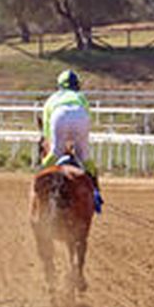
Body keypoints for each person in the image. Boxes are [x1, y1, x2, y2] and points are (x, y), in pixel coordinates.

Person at [42, 68, 101, 212]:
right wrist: (79, 142)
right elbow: (88, 118)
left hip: (58, 115)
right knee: (85, 158)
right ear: (77, 85)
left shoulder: (52, 99)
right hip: (80, 116)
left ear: (59, 86)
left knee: (55, 153)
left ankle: (39, 180)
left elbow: (46, 131)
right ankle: (96, 194)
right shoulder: (80, 96)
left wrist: (54, 143)